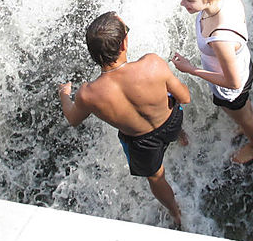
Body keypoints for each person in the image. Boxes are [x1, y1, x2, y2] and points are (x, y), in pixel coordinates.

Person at [58, 12, 191, 226]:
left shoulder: (88, 94)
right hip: (171, 120)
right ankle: (180, 136)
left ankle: (175, 212)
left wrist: (64, 95)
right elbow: (185, 97)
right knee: (171, 111)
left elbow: (73, 119)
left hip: (142, 142)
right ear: (123, 46)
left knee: (156, 178)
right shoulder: (153, 64)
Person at [171, 0, 253, 164]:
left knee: (244, 115)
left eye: (189, 0)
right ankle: (244, 121)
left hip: (231, 84)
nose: (182, 3)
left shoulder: (221, 37)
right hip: (241, 64)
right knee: (243, 108)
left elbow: (233, 83)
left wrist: (191, 69)